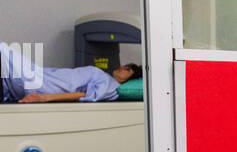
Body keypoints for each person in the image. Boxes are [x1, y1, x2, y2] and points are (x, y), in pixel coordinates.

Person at [0, 43, 141, 102]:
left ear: (130, 79)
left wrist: (44, 98)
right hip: (45, 76)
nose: (122, 67)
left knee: (3, 49)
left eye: (127, 69)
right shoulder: (106, 78)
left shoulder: (113, 87)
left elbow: (84, 95)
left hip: (47, 84)